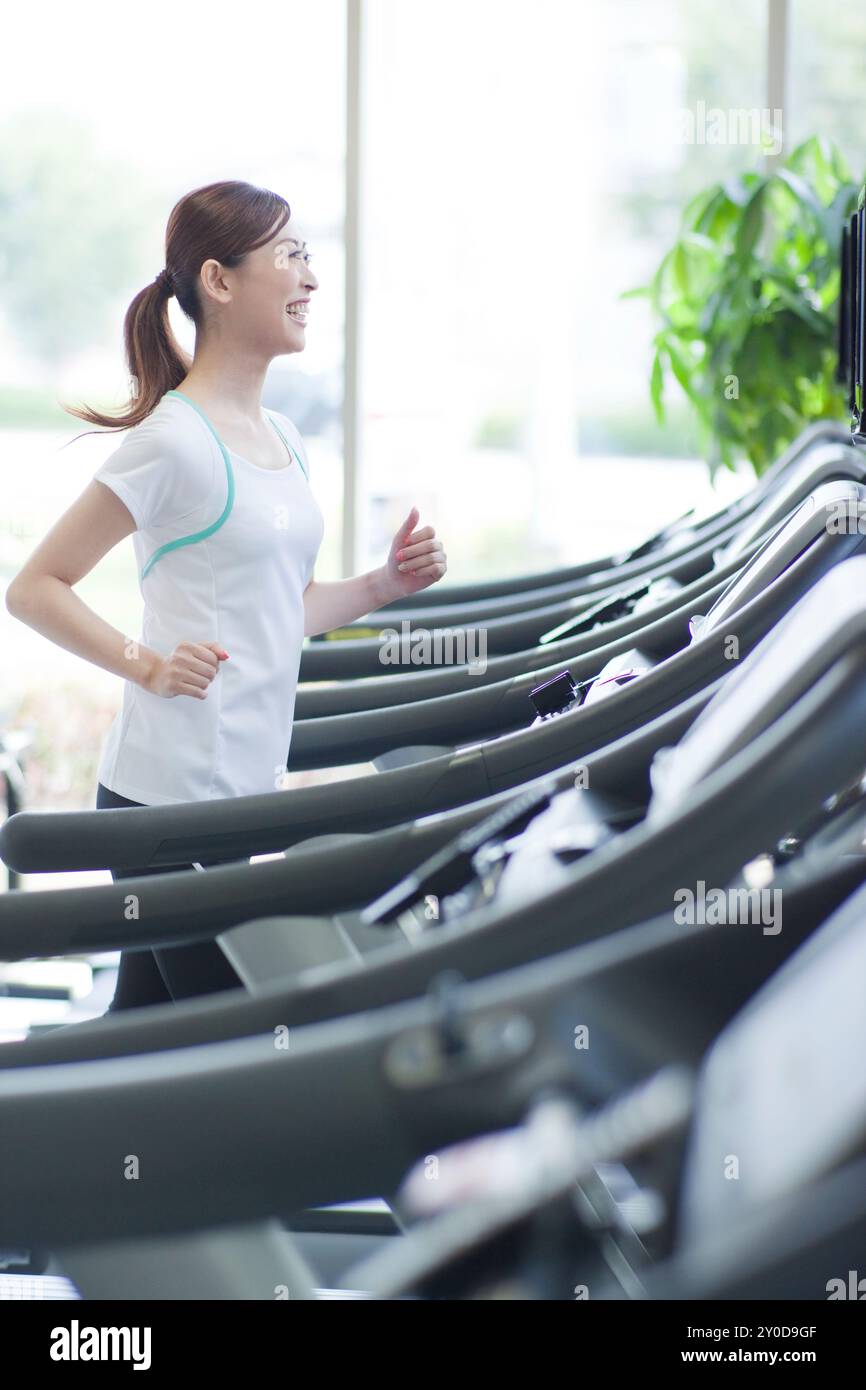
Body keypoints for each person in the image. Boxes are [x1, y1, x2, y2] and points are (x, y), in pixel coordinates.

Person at [5, 178, 448, 1011]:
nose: (311, 280)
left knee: (148, 1027)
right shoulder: (173, 441)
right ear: (219, 280)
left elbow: (285, 612)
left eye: (310, 256)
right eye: (291, 256)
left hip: (240, 793)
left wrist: (386, 583)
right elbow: (34, 588)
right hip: (169, 804)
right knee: (231, 1029)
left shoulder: (282, 437)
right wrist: (147, 665)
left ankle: (58, 1132)